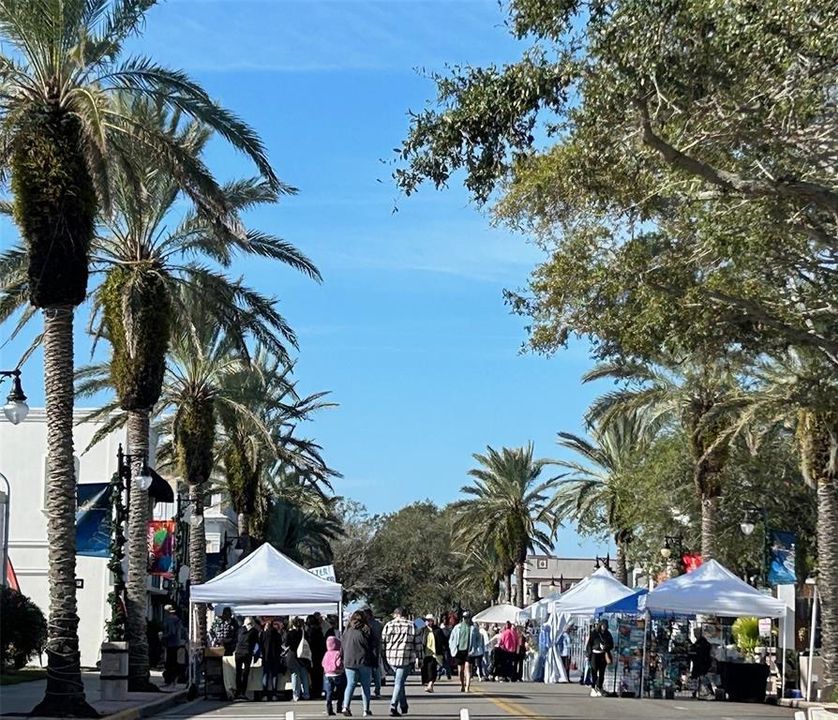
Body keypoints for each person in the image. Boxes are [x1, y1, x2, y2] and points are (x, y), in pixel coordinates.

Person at [381, 607, 420, 716]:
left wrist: (383, 655)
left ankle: (403, 705)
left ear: (396, 614)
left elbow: (383, 641)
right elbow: (418, 643)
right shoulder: (412, 625)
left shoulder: (388, 625)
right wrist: (420, 658)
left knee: (399, 681)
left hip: (391, 657)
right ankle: (393, 705)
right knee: (399, 682)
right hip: (405, 657)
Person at [342, 610, 377, 717]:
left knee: (350, 684)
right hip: (364, 660)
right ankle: (366, 710)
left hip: (349, 661)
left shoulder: (347, 630)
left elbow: (342, 646)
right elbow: (373, 646)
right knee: (365, 686)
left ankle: (346, 706)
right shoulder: (367, 629)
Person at [448, 611, 484, 693]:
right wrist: (452, 648)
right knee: (460, 670)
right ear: (463, 618)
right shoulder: (458, 627)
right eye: (465, 617)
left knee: (467, 669)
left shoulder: (473, 628)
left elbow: (479, 638)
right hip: (459, 651)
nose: (466, 619)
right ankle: (462, 685)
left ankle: (467, 687)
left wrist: (476, 648)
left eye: (467, 617)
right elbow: (452, 639)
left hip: (469, 651)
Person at [585, 619, 614, 697]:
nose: (604, 627)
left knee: (602, 673)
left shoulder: (608, 634)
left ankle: (599, 687)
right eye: (603, 625)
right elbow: (589, 645)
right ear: (600, 625)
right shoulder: (594, 633)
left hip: (603, 655)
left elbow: (611, 644)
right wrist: (588, 654)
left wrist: (606, 647)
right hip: (594, 654)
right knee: (594, 671)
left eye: (605, 625)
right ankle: (593, 687)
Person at [286, 617, 311, 702]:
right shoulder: (304, 633)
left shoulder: (290, 633)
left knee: (295, 675)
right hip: (303, 656)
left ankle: (296, 694)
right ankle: (306, 694)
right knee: (304, 675)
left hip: (293, 656)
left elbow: (287, 644)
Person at [259, 616, 284, 701]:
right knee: (274, 676)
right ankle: (274, 694)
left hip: (266, 657)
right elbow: (280, 646)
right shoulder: (277, 635)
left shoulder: (263, 635)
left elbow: (261, 646)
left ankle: (264, 694)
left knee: (265, 675)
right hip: (275, 657)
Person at [161, 604, 186, 688]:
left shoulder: (169, 619)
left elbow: (172, 632)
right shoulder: (177, 619)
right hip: (177, 643)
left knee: (169, 663)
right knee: (174, 662)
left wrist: (163, 636)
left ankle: (170, 680)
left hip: (171, 644)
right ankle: (174, 680)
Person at [419, 614, 445, 692]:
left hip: (434, 653)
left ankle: (430, 685)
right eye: (427, 620)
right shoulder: (423, 629)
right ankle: (429, 684)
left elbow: (443, 641)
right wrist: (423, 621)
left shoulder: (438, 630)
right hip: (425, 653)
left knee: (431, 669)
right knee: (424, 669)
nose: (429, 622)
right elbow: (415, 622)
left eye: (430, 620)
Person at [363, 608, 384, 698]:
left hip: (368, 650)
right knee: (376, 670)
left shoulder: (366, 625)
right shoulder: (378, 624)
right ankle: (377, 689)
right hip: (376, 649)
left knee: (370, 671)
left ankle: (369, 689)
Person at [323, 635, 346, 715]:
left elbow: (323, 664)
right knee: (341, 691)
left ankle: (329, 707)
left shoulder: (326, 654)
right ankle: (339, 707)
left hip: (328, 674)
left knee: (329, 692)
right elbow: (340, 663)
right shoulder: (338, 653)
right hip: (338, 673)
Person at [689, 628, 714, 698]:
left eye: (696, 633)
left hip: (702, 663)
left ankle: (709, 691)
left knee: (702, 677)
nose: (695, 635)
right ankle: (695, 692)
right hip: (699, 663)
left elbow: (704, 651)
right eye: (694, 633)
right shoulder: (699, 643)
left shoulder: (702, 643)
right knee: (696, 677)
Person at [308, 614, 327, 700]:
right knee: (319, 675)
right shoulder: (319, 631)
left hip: (313, 655)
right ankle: (318, 692)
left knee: (313, 675)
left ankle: (315, 692)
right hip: (320, 655)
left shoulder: (310, 632)